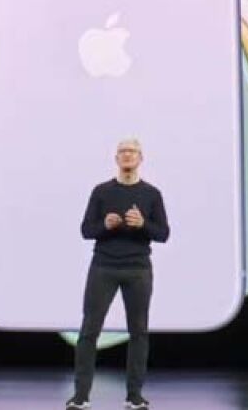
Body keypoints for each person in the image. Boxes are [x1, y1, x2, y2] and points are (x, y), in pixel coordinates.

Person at [66, 138, 170, 410]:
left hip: (138, 269)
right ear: (116, 158)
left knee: (139, 332)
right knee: (89, 331)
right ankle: (81, 396)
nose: (127, 155)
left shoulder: (152, 194)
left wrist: (143, 224)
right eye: (123, 152)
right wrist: (105, 224)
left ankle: (134, 396)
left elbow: (163, 234)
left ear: (140, 158)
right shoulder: (101, 191)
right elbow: (86, 230)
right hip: (104, 266)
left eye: (132, 151)